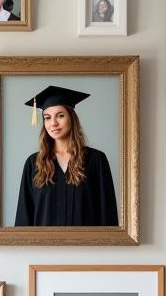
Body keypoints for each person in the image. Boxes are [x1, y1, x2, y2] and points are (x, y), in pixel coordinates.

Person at [14, 85, 118, 227]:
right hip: (43, 248)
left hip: (87, 247)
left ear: (71, 118)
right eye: (47, 117)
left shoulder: (96, 160)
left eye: (60, 115)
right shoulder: (34, 163)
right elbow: (24, 216)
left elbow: (108, 214)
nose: (53, 123)